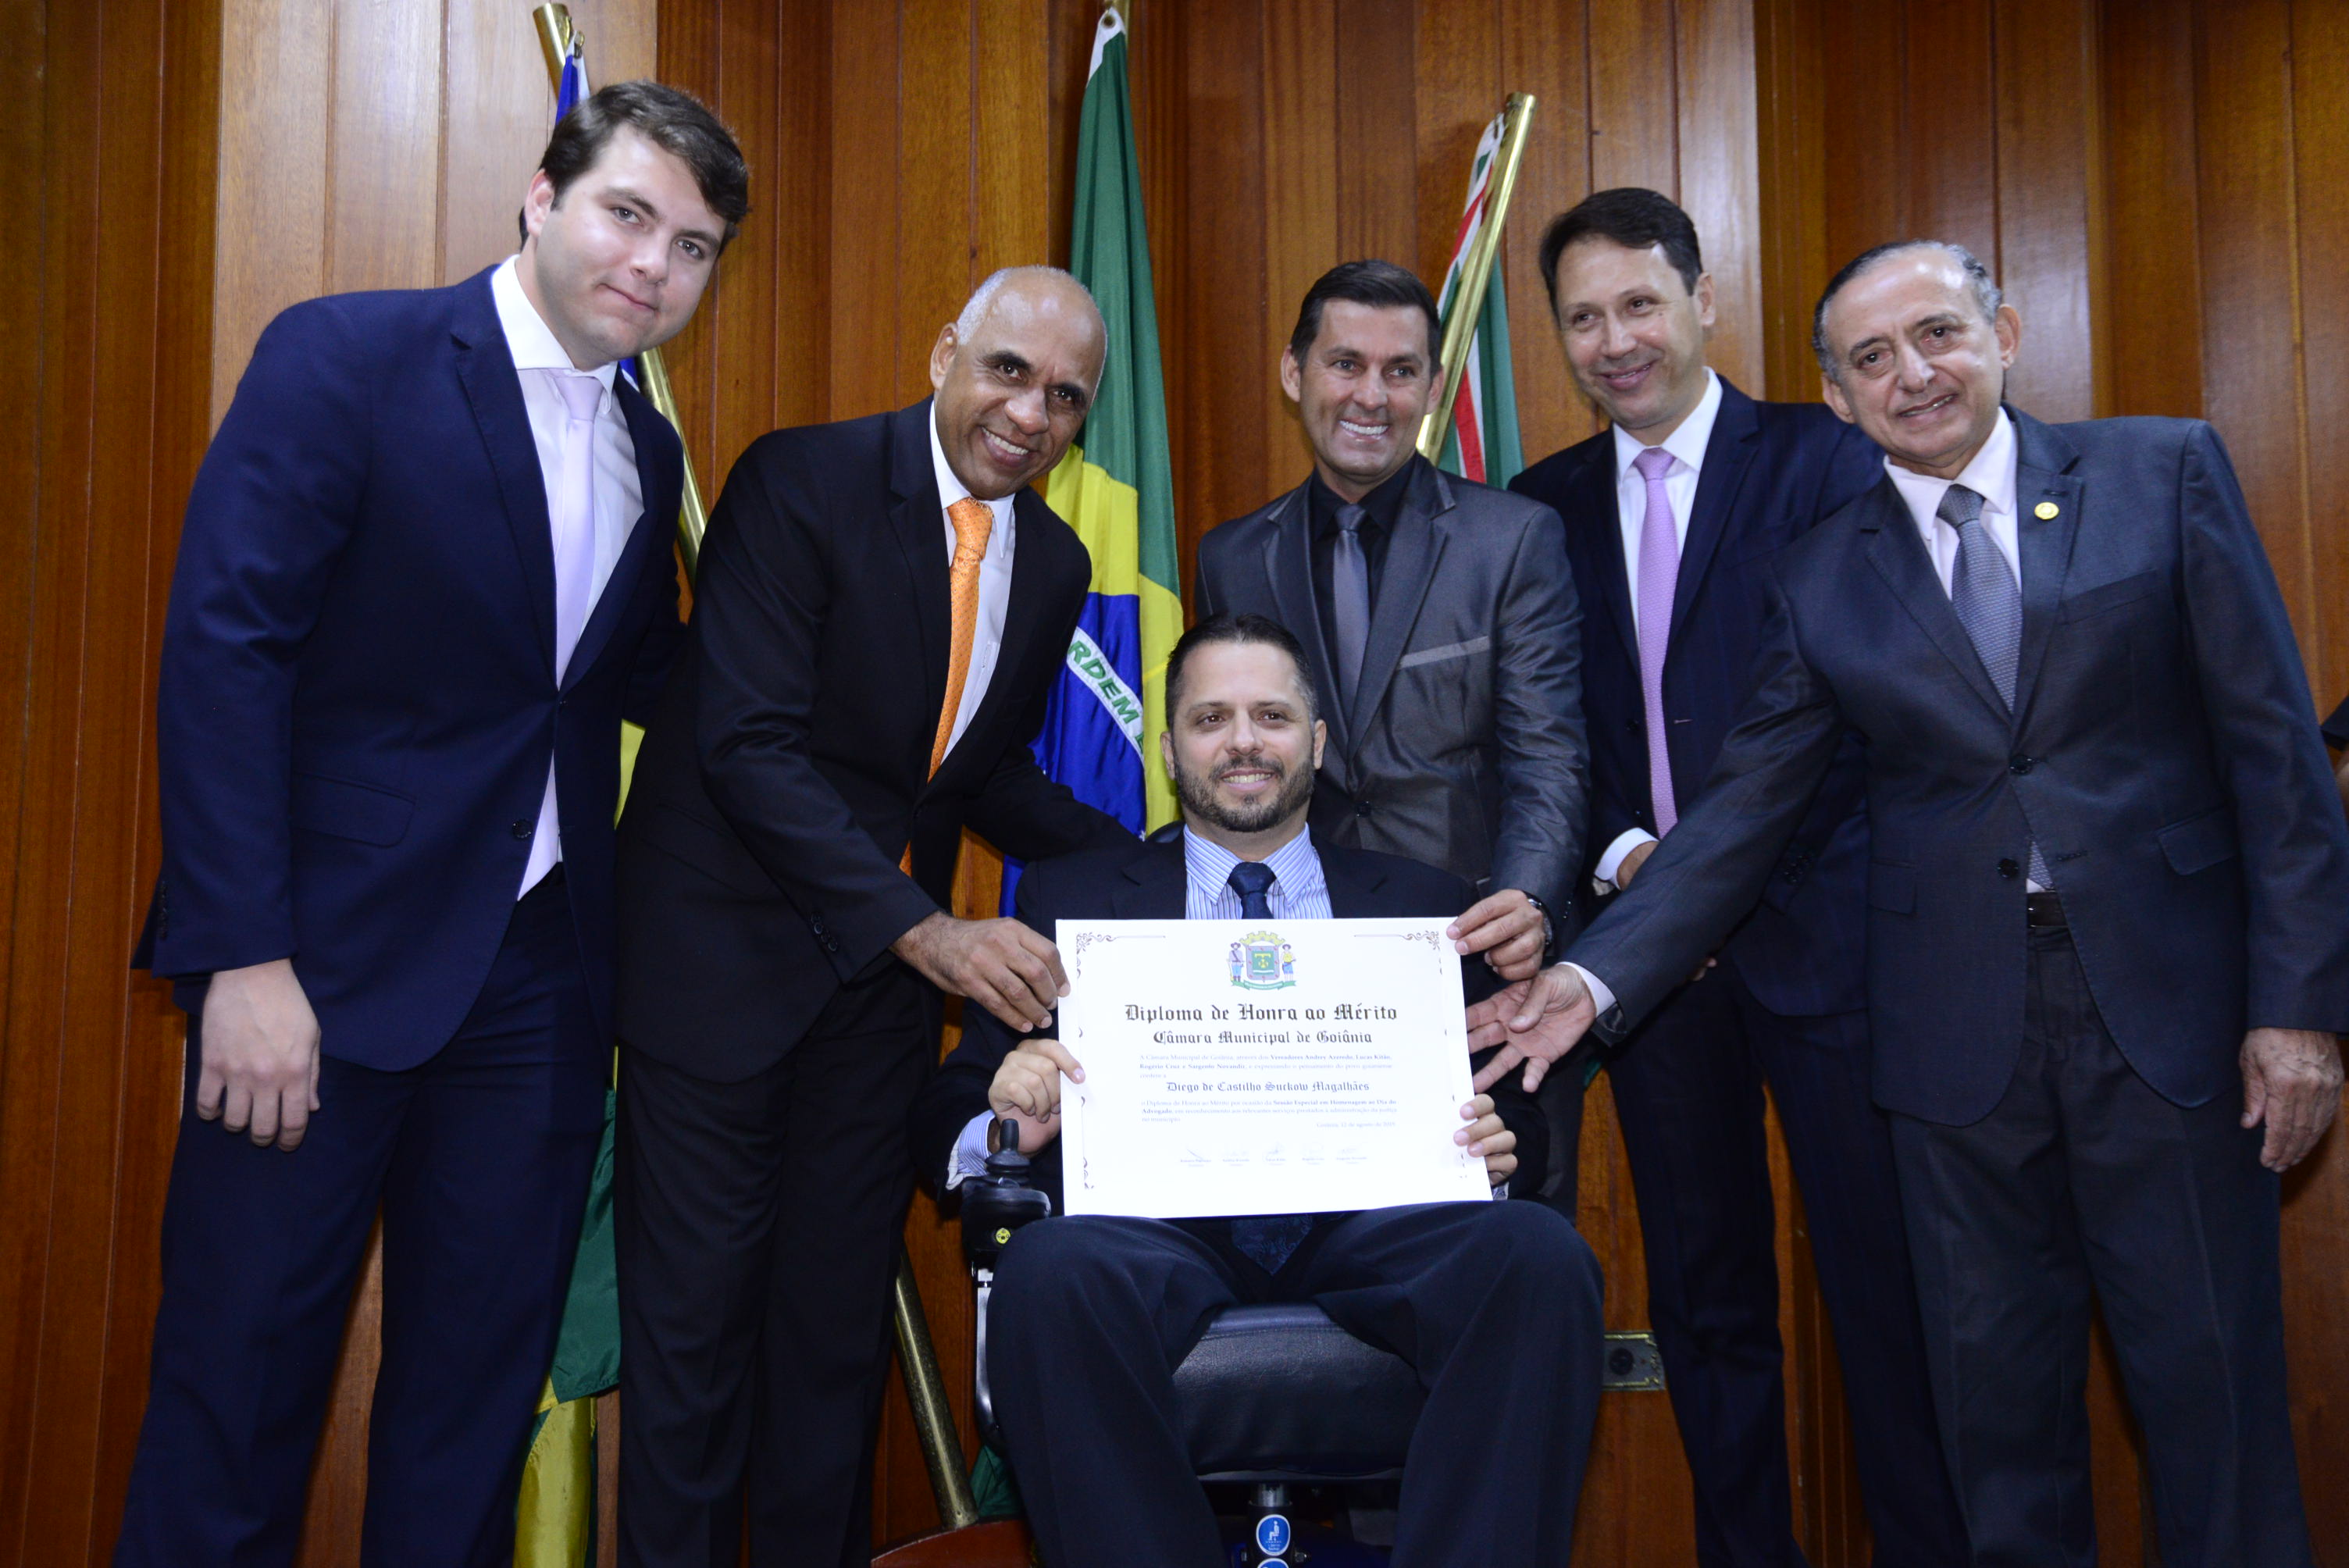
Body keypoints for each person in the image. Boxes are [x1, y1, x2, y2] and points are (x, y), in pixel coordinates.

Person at [1477, 241, 2349, 1568]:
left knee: (2211, 1401)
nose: (1913, 375)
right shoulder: (1824, 570)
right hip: (1952, 1049)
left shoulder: (2158, 471)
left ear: (2003, 333)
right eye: (1871, 359)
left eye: (1937, 334)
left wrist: (2297, 1010)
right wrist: (1592, 982)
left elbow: (2276, 758)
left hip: (2166, 1025)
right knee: (1996, 1431)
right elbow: (1744, 810)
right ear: (1836, 398)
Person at [119, 84, 745, 1566]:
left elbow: (634, 681)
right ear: (541, 197)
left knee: (469, 1417)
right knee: (235, 1396)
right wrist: (242, 959)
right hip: (313, 976)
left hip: (539, 997)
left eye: (694, 248)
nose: (655, 264)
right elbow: (225, 650)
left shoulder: (646, 449)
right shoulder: (347, 355)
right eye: (629, 214)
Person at [611, 267, 1136, 1566]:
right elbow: (749, 746)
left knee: (831, 1355)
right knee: (692, 1353)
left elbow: (974, 774)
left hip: (873, 1014)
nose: (1032, 414)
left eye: (1066, 397)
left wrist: (1161, 868)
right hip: (719, 979)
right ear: (946, 351)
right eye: (1008, 371)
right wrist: (929, 931)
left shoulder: (1053, 562)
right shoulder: (802, 482)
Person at [907, 614, 1602, 1568]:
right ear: (1168, 750)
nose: (1242, 741)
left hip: (1369, 1231)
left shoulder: (1422, 907)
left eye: (1270, 716)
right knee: (1048, 1270)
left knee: (1537, 1255)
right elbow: (945, 1112)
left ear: (1314, 743)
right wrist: (1002, 1119)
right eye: (1210, 719)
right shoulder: (1071, 905)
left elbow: (1508, 1099)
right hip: (1152, 1237)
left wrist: (1498, 1136)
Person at [1507, 189, 1959, 1566]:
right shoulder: (1538, 507)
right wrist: (1632, 864)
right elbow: (1548, 734)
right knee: (1706, 1310)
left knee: (1887, 1297)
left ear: (1703, 301)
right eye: (1583, 318)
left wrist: (1705, 873)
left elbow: (1866, 709)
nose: (1615, 341)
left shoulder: (1831, 458)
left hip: (1829, 938)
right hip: (1648, 968)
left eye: (1639, 304)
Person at [1193, 259, 1588, 1202]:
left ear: (1431, 386)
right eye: (1345, 364)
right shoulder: (1230, 555)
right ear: (1294, 373)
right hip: (1293, 975)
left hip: (1475, 964)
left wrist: (1528, 903)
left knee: (1501, 1246)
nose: (1371, 395)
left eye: (1400, 370)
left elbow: (1548, 755)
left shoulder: (1512, 539)